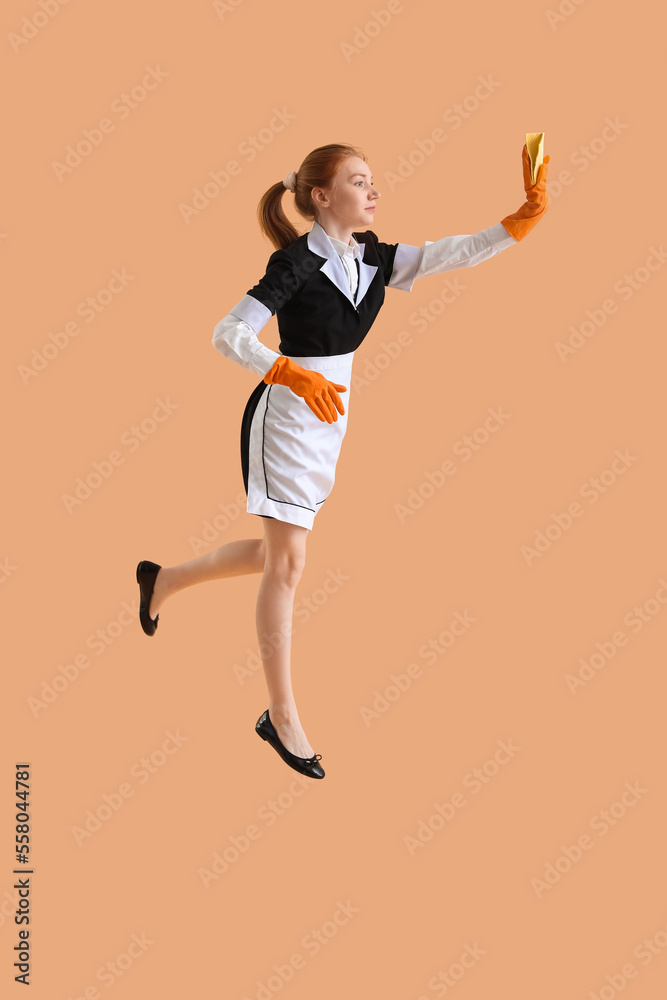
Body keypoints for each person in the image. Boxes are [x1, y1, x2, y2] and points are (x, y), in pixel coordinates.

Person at [136, 140, 550, 781]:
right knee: (291, 564)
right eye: (359, 182)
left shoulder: (374, 258)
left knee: (277, 555)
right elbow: (228, 333)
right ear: (322, 197)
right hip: (285, 419)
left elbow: (453, 253)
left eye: (373, 181)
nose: (373, 190)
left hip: (331, 420)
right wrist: (286, 374)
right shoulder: (294, 264)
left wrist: (522, 217)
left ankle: (162, 580)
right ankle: (281, 714)